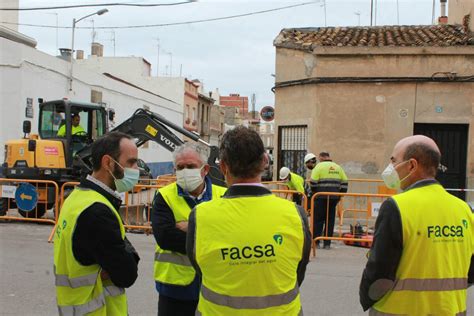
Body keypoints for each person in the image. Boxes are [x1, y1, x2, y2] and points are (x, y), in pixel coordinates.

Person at [186, 126, 311, 315]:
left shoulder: (200, 215)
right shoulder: (295, 214)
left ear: (223, 167)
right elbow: (297, 273)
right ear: (264, 162)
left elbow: (200, 270)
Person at [359, 135, 474, 315]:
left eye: (394, 161)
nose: (391, 168)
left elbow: (379, 271)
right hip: (451, 310)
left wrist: (366, 297)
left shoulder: (396, 206)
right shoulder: (464, 209)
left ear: (411, 165)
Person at [54, 131, 141, 315]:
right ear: (108, 162)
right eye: (131, 162)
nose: (136, 169)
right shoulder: (97, 212)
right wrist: (128, 252)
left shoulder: (76, 198)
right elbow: (127, 274)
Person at [151, 143, 227, 316]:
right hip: (175, 289)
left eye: (191, 166)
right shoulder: (164, 196)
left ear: (205, 169)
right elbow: (166, 238)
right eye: (180, 167)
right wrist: (212, 234)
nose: (185, 171)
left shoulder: (223, 195)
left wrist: (191, 225)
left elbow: (232, 236)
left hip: (214, 286)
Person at [310, 151, 348, 249]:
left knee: (318, 220)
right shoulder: (338, 167)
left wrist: (315, 193)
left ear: (321, 158)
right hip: (334, 198)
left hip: (320, 197)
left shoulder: (318, 167)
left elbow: (313, 183)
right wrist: (340, 195)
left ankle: (316, 242)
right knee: (330, 220)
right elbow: (344, 182)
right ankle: (327, 243)